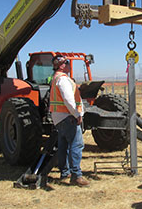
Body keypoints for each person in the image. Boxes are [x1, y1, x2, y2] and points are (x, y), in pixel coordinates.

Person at [49, 54, 90, 187]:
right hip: (68, 117)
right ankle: (76, 176)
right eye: (66, 63)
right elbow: (68, 99)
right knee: (76, 145)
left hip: (59, 117)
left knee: (64, 146)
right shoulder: (63, 80)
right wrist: (77, 114)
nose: (68, 65)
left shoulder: (56, 78)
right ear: (61, 65)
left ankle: (65, 172)